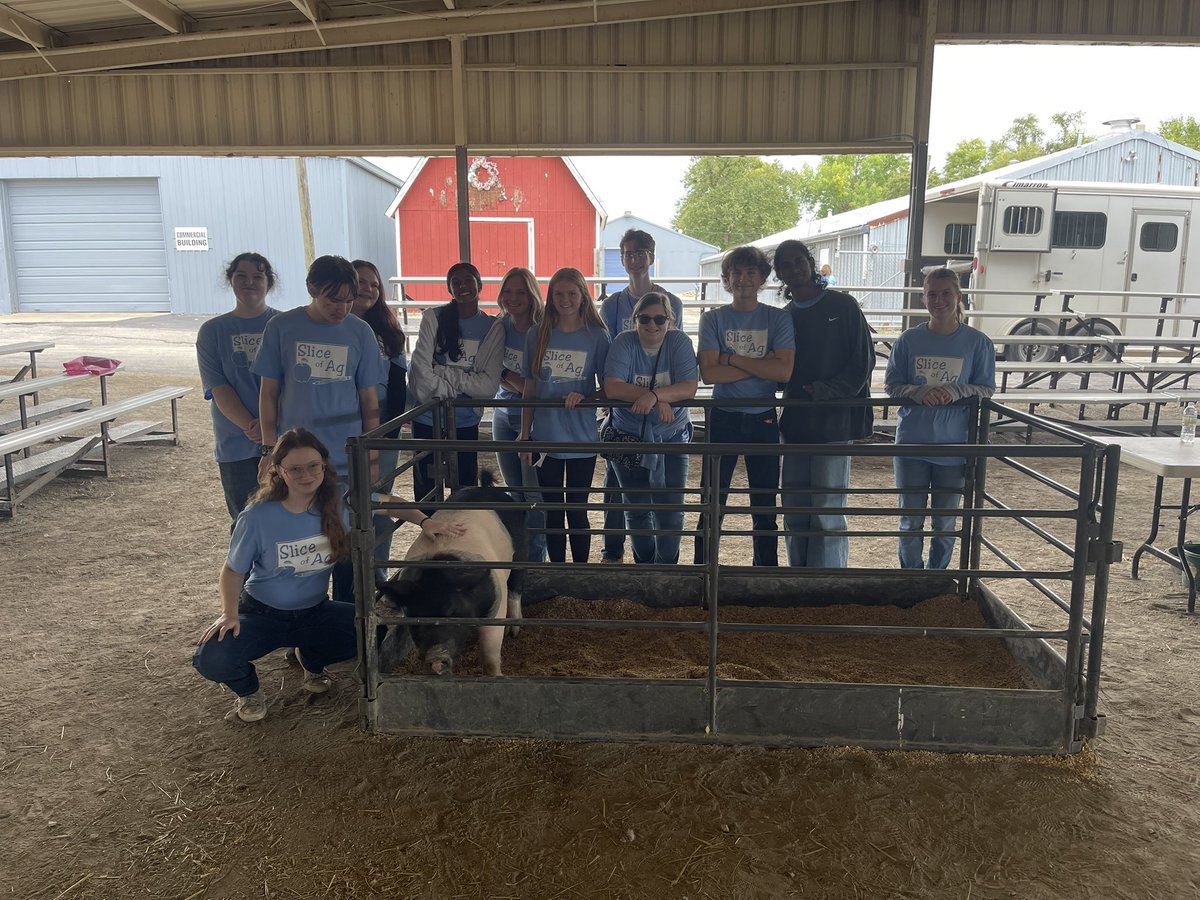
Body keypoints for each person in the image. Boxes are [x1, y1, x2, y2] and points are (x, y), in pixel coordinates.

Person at [192, 428, 463, 723]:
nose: (305, 474)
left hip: (314, 611)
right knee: (212, 658)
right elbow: (233, 569)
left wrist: (425, 521)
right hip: (262, 613)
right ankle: (249, 690)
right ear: (279, 470)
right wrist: (229, 613)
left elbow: (388, 503)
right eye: (294, 468)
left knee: (372, 633)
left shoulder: (338, 501)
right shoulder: (257, 516)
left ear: (324, 465)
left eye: (313, 466)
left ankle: (311, 659)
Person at [254, 254, 385, 604]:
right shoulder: (282, 327)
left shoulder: (360, 331)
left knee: (344, 537)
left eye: (348, 300)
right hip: (295, 456)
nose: (341, 308)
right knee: (299, 534)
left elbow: (368, 398)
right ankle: (296, 610)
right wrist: (269, 449)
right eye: (332, 299)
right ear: (312, 289)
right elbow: (269, 393)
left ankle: (343, 617)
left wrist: (370, 457)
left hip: (344, 454)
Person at [885, 268, 995, 569]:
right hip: (911, 444)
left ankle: (938, 578)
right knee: (910, 521)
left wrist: (956, 390)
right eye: (932, 294)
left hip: (954, 447)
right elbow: (892, 385)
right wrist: (918, 392)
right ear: (924, 299)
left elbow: (987, 387)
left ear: (959, 296)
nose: (939, 300)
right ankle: (911, 578)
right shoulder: (908, 340)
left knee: (945, 525)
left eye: (946, 293)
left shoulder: (977, 342)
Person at [775, 239, 875, 568]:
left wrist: (825, 390)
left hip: (834, 421)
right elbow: (779, 371)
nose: (794, 269)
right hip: (797, 421)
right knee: (795, 506)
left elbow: (863, 361)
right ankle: (799, 580)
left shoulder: (843, 306)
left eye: (798, 261)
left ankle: (828, 585)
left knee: (828, 509)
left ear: (810, 263)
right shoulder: (784, 318)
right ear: (779, 274)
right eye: (785, 265)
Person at [694, 246, 795, 567]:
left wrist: (731, 358)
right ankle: (703, 573)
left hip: (763, 418)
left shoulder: (778, 317)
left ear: (763, 278)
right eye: (736, 273)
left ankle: (765, 577)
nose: (743, 279)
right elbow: (709, 374)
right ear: (727, 279)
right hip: (722, 417)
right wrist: (760, 363)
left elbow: (784, 371)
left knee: (764, 507)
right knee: (712, 503)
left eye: (751, 272)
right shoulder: (713, 319)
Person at [598, 228, 686, 564]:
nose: (634, 259)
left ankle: (657, 562)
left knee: (656, 500)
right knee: (617, 489)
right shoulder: (613, 305)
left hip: (661, 414)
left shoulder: (669, 301)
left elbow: (676, 360)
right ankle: (614, 550)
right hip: (623, 412)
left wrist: (659, 396)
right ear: (621, 258)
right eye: (628, 253)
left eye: (640, 252)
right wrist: (614, 400)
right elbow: (608, 356)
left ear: (651, 256)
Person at [519, 267, 610, 563]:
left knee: (578, 509)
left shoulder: (597, 336)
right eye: (559, 293)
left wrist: (585, 397)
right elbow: (530, 388)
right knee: (553, 511)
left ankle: (580, 572)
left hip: (582, 438)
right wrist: (524, 433)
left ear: (583, 296)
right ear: (550, 296)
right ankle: (559, 571)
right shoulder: (537, 334)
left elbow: (609, 388)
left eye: (572, 293)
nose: (565, 299)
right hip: (546, 437)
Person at [603, 292, 697, 565]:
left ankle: (666, 570)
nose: (652, 325)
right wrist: (660, 398)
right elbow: (613, 386)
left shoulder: (679, 342)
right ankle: (645, 568)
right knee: (636, 508)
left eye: (659, 318)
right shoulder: (624, 342)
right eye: (645, 318)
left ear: (671, 320)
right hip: (628, 435)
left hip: (671, 435)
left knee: (672, 509)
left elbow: (689, 386)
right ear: (635, 320)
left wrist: (654, 397)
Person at [407, 261, 505, 506]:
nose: (463, 286)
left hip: (465, 420)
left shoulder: (492, 327)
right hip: (427, 416)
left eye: (468, 280)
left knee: (464, 485)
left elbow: (486, 388)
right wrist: (460, 391)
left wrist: (441, 371)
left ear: (479, 285)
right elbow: (420, 378)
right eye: (456, 282)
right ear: (449, 289)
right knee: (426, 485)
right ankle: (429, 533)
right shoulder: (433, 318)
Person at [196, 252, 280, 524]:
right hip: (236, 443)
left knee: (288, 518)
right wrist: (252, 426)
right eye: (241, 276)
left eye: (258, 276)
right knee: (247, 520)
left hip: (283, 438)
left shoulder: (284, 325)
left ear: (269, 282)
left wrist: (271, 428)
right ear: (230, 281)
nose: (249, 282)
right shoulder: (212, 331)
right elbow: (218, 386)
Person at [493, 267, 547, 562]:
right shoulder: (501, 325)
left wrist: (507, 376)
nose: (513, 298)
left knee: (533, 494)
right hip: (502, 411)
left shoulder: (540, 330)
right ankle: (521, 556)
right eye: (508, 291)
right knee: (514, 492)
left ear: (532, 295)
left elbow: (534, 386)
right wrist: (512, 379)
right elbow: (492, 372)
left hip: (531, 417)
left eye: (521, 292)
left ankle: (536, 560)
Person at [351, 258, 408, 493]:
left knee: (379, 492)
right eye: (361, 282)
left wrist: (391, 431)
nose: (369, 289)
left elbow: (398, 382)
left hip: (382, 422)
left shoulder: (389, 330)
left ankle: (382, 532)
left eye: (374, 285)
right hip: (344, 421)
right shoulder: (329, 330)